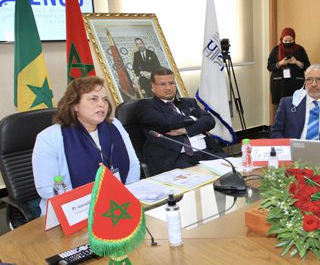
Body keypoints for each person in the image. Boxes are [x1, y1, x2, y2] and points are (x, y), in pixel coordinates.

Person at [32, 77, 141, 215]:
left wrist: (125, 197)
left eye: (105, 99)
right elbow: (47, 189)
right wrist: (90, 207)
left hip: (119, 206)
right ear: (74, 105)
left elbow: (133, 165)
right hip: (73, 213)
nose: (101, 104)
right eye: (93, 99)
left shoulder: (115, 125)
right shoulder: (49, 137)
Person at [137, 67, 227, 175]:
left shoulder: (189, 102)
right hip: (177, 157)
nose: (168, 88)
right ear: (152, 86)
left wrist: (186, 130)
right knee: (201, 180)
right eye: (162, 84)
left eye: (171, 83)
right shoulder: (146, 106)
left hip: (206, 152)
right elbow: (167, 122)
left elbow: (209, 120)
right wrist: (194, 119)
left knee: (235, 169)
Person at [271, 64, 320, 141]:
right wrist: (287, 149)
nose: (313, 84)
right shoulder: (287, 104)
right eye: (309, 79)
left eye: (319, 79)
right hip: (293, 151)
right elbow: (276, 132)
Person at [267, 27, 310, 115]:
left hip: (295, 84)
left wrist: (296, 62)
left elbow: (307, 66)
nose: (287, 43)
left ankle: (296, 128)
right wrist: (280, 63)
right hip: (279, 85)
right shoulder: (276, 50)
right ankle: (279, 128)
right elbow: (269, 66)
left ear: (294, 39)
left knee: (296, 108)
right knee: (280, 110)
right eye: (285, 41)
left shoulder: (300, 49)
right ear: (281, 39)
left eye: (290, 41)